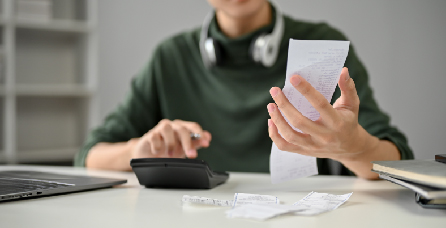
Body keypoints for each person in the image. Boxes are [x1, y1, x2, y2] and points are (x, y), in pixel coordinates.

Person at [74, 0, 413, 179]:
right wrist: (139, 149)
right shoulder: (170, 57)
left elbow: (398, 161)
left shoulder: (322, 46)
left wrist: (353, 147)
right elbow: (88, 156)